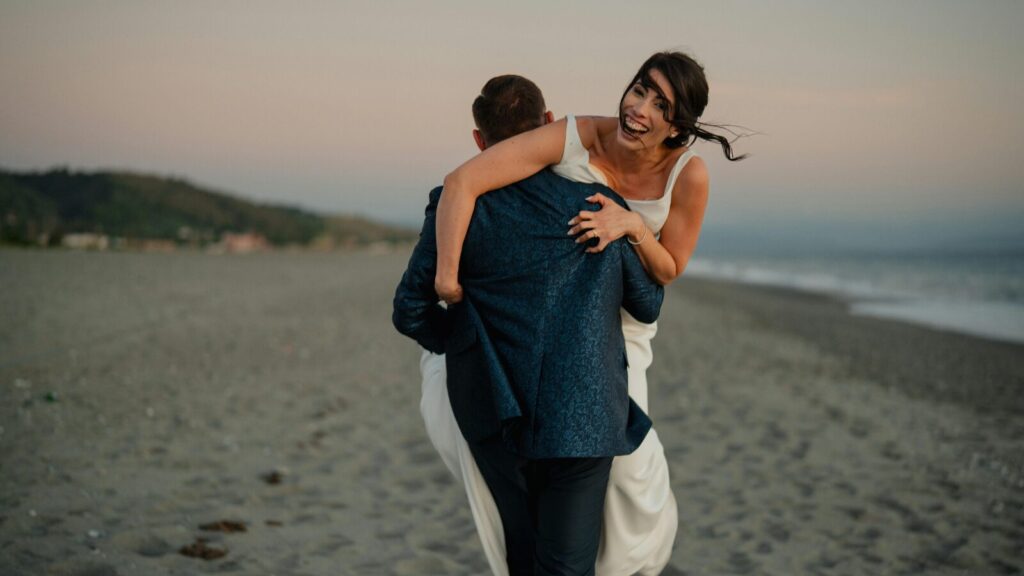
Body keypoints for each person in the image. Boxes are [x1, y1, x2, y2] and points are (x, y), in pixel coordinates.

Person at [433, 52, 746, 575]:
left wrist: (631, 226)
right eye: (640, 88)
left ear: (678, 124)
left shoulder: (688, 176)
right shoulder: (574, 135)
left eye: (659, 104)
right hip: (548, 318)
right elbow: (462, 183)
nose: (638, 107)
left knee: (629, 478)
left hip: (622, 332)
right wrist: (446, 276)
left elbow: (668, 268)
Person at [393, 74, 665, 575]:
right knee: (566, 564)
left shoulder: (456, 207)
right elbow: (647, 305)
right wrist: (631, 229)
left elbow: (409, 309)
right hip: (585, 411)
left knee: (521, 552)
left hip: (494, 410)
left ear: (479, 142)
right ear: (546, 124)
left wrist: (467, 343)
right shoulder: (598, 206)